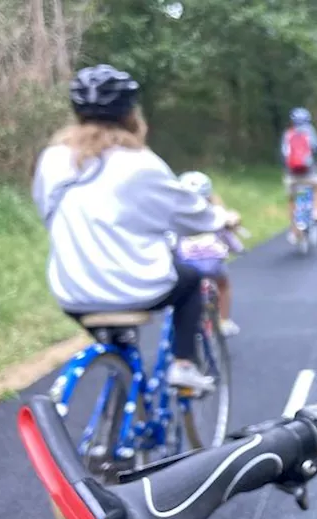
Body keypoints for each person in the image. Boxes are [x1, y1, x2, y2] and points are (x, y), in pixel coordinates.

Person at [31, 64, 240, 392]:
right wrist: (222, 218)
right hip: (137, 288)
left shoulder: (53, 159)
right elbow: (191, 214)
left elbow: (48, 212)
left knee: (120, 349)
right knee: (191, 281)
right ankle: (184, 365)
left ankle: (122, 401)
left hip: (72, 291)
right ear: (131, 115)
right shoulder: (140, 163)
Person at [171, 171, 245, 338]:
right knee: (224, 284)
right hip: (212, 264)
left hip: (186, 263)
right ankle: (225, 320)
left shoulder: (177, 215)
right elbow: (227, 236)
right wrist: (239, 249)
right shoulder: (214, 213)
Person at [280, 107, 317, 242]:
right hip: (309, 173)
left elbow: (283, 154)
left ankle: (293, 230)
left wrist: (285, 169)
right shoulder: (310, 131)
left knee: (292, 199)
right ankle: (316, 212)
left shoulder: (288, 134)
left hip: (292, 175)